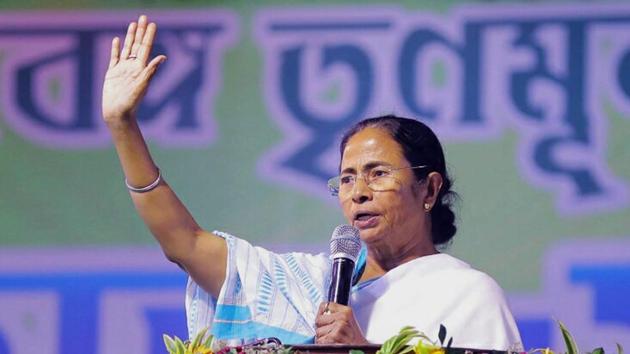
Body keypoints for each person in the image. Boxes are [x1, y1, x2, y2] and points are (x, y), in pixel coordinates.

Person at [102, 15, 522, 350]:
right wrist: (122, 126)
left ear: (428, 189)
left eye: (377, 174)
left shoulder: (466, 295)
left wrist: (360, 348)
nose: (358, 192)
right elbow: (186, 245)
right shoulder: (305, 289)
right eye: (346, 179)